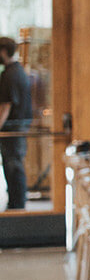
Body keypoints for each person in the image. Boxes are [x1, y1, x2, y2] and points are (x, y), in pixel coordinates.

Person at [0, 36, 32, 211]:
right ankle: (15, 202)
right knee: (12, 164)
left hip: (13, 127)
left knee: (13, 165)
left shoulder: (10, 74)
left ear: (4, 51)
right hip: (18, 126)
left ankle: (17, 206)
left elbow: (6, 105)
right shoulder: (17, 71)